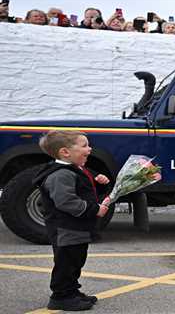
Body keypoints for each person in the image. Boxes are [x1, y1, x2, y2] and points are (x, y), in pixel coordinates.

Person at [33, 130, 110, 311]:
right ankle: (61, 297)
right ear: (65, 152)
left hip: (76, 228)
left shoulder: (76, 169)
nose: (89, 149)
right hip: (66, 229)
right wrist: (95, 209)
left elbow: (82, 190)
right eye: (84, 145)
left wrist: (99, 183)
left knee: (75, 262)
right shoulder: (61, 175)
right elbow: (66, 202)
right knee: (66, 263)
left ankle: (72, 291)